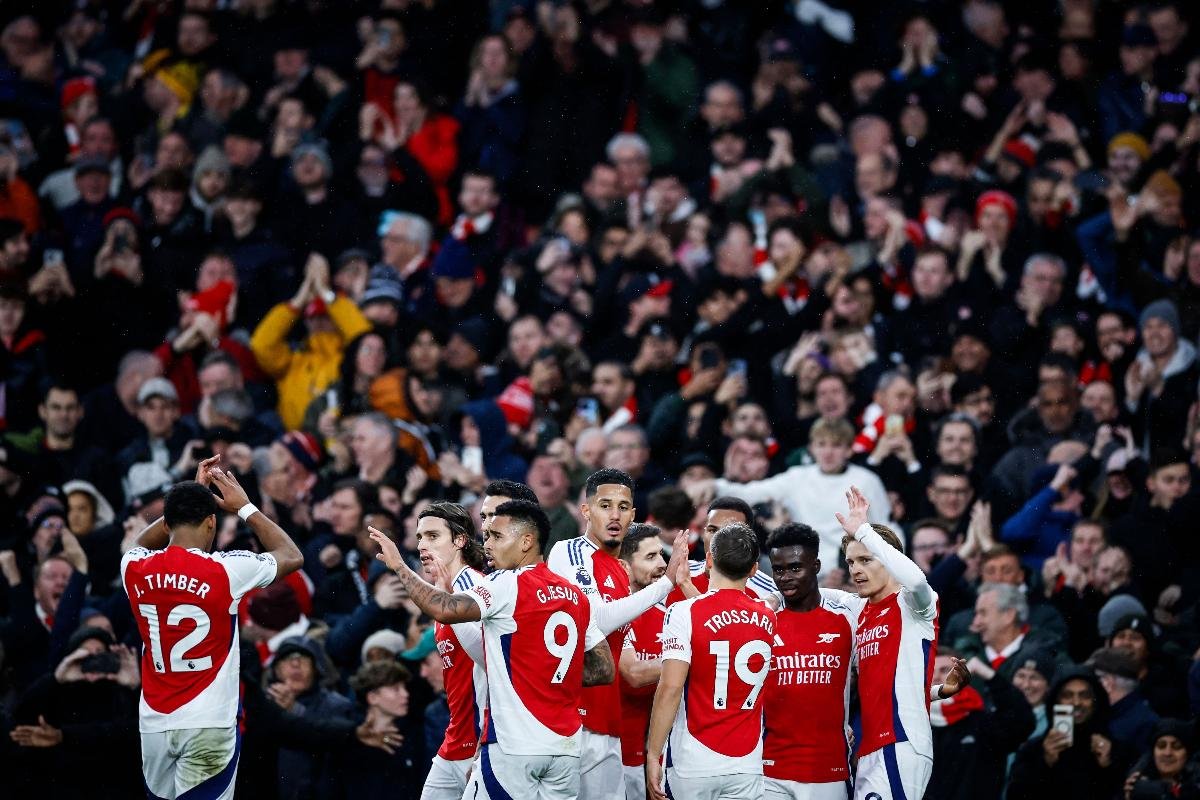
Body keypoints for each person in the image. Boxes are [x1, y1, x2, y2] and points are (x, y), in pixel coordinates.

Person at [370, 499, 614, 799]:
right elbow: (604, 669)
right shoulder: (574, 594)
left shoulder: (500, 584)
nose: (487, 545)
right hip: (564, 746)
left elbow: (445, 611)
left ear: (526, 541)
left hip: (508, 743)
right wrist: (541, 674)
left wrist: (398, 565)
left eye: (497, 536)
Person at [120, 456, 304, 799]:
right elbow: (291, 555)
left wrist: (188, 496)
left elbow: (139, 544)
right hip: (208, 721)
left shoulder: (134, 567)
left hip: (155, 722)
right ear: (211, 523)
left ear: (167, 522)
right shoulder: (226, 569)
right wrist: (245, 507)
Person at [546, 468, 689, 799]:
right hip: (570, 724)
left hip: (608, 725)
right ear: (586, 510)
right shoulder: (570, 552)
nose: (614, 515)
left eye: (623, 507)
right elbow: (595, 618)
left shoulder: (622, 572)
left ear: (633, 514)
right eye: (605, 505)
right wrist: (666, 583)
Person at [645, 522, 777, 800]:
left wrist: (653, 754)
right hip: (747, 765)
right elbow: (727, 620)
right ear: (754, 569)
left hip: (693, 762)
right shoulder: (767, 616)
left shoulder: (682, 612)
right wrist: (687, 585)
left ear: (709, 560)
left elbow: (670, 688)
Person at [834, 487, 940, 800]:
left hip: (901, 742)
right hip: (870, 745)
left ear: (889, 561)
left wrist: (864, 531)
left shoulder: (914, 605)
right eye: (851, 562)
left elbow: (917, 580)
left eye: (865, 560)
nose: (856, 570)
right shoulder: (859, 610)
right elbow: (811, 592)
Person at [762, 522, 858, 800]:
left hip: (827, 768)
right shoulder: (763, 621)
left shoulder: (847, 618)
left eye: (795, 568)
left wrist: (934, 692)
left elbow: (878, 680)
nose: (785, 578)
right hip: (769, 768)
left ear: (816, 566)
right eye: (778, 570)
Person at [412, 502, 487, 800]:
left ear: (460, 540)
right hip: (455, 740)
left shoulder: (473, 588)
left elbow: (496, 663)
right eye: (419, 537)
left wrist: (486, 742)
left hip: (479, 741)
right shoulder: (446, 591)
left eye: (433, 536)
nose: (422, 545)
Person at [616, 522, 670, 800]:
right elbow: (634, 674)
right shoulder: (609, 613)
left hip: (652, 756)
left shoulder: (668, 617)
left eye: (661, 554)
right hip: (609, 752)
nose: (662, 564)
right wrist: (684, 659)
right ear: (624, 566)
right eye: (651, 557)